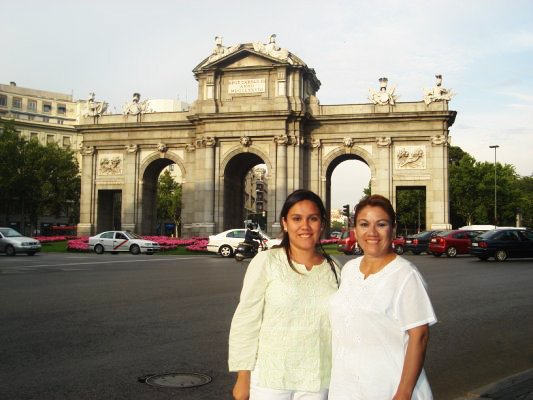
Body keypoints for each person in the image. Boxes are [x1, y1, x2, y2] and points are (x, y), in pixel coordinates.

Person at [228, 189, 340, 400]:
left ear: (322, 224)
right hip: (271, 379)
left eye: (313, 219)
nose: (305, 226)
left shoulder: (335, 269)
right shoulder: (266, 262)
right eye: (297, 218)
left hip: (318, 379)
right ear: (285, 223)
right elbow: (246, 321)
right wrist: (243, 378)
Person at [328, 194, 437, 400]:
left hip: (389, 389)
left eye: (381, 224)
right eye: (364, 224)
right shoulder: (349, 269)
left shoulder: (405, 275)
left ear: (392, 228)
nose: (372, 233)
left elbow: (419, 337)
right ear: (355, 229)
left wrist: (403, 394)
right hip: (346, 388)